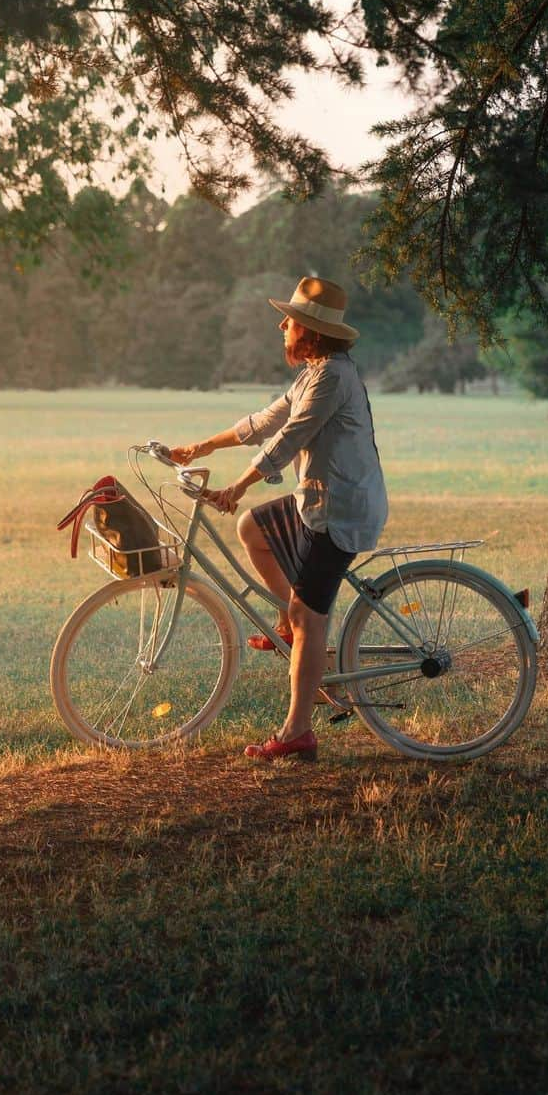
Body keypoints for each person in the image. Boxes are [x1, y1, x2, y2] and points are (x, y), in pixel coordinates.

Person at [169, 276, 387, 763]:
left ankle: (298, 733)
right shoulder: (315, 372)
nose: (282, 325)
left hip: (340, 511)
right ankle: (291, 627)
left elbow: (288, 439)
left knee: (309, 618)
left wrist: (237, 486)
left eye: (290, 320)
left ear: (310, 331)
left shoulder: (331, 377)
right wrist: (203, 445)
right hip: (319, 501)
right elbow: (264, 422)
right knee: (252, 529)